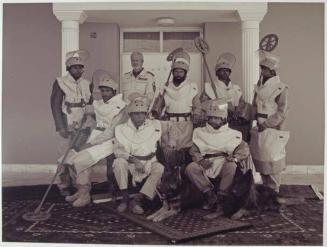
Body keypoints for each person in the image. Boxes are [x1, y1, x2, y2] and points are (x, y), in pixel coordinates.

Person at [62, 70, 128, 207]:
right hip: (95, 137)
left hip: (110, 141)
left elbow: (111, 131)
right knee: (69, 158)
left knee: (81, 159)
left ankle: (85, 195)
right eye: (102, 90)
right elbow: (90, 117)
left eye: (107, 91)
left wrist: (92, 143)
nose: (104, 94)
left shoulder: (121, 107)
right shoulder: (98, 104)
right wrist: (85, 120)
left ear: (114, 91)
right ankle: (82, 190)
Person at [185, 99, 251, 211]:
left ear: (223, 119)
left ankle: (221, 197)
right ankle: (209, 195)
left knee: (232, 166)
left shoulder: (233, 134)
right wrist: (200, 161)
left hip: (224, 162)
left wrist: (235, 158)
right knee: (190, 168)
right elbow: (194, 151)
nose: (213, 121)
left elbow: (243, 149)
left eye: (216, 118)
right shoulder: (200, 132)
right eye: (211, 118)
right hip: (206, 163)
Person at [50, 49, 93, 197]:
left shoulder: (87, 84)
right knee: (63, 157)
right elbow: (55, 106)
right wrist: (60, 127)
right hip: (66, 124)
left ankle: (78, 185)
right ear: (69, 68)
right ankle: (63, 185)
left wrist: (88, 124)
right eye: (75, 67)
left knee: (78, 156)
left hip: (82, 126)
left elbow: (90, 105)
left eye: (80, 67)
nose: (78, 69)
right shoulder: (60, 82)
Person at [112, 93, 164, 215]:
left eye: (142, 113)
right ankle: (124, 198)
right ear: (130, 115)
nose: (140, 116)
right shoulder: (121, 128)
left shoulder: (155, 125)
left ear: (146, 114)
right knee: (118, 162)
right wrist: (135, 161)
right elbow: (118, 151)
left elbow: (169, 129)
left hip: (150, 162)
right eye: (136, 113)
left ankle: (137, 200)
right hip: (131, 162)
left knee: (160, 168)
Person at [250, 50, 289, 193]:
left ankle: (273, 192)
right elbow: (254, 106)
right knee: (262, 160)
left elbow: (282, 111)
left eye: (265, 69)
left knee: (273, 161)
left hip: (272, 128)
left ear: (272, 71)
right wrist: (253, 123)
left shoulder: (281, 88)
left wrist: (266, 124)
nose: (262, 71)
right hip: (259, 128)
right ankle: (266, 192)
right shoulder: (259, 87)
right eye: (262, 68)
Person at [154, 49, 201, 168]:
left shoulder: (192, 87)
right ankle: (171, 179)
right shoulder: (165, 88)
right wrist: (157, 109)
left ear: (185, 73)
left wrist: (197, 114)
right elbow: (157, 108)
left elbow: (197, 106)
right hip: (170, 124)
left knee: (185, 153)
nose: (178, 74)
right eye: (176, 71)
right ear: (173, 72)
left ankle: (184, 179)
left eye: (181, 72)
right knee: (169, 151)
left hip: (186, 124)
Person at [203, 52, 251, 140]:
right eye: (222, 70)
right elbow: (205, 105)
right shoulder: (209, 87)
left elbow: (241, 103)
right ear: (217, 73)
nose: (224, 72)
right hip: (217, 123)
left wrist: (238, 111)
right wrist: (223, 106)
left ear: (229, 72)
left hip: (235, 123)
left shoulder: (236, 88)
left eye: (227, 70)